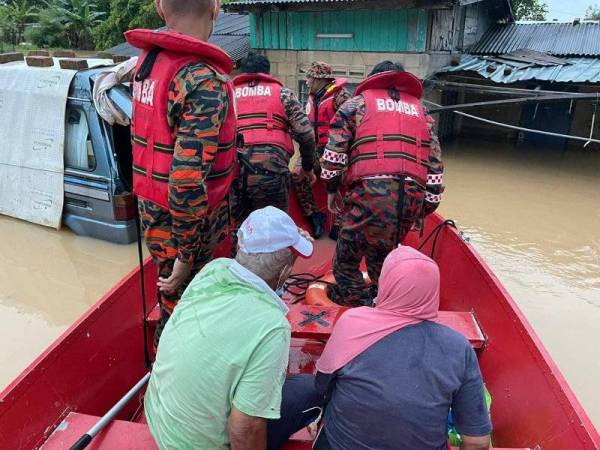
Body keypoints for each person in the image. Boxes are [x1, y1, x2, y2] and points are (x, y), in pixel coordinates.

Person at [144, 206, 322, 450]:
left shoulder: (213, 269)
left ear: (241, 245)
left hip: (160, 423)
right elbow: (245, 427)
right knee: (314, 388)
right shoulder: (272, 326)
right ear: (284, 272)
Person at [125, 0, 238, 344]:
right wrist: (186, 257)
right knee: (188, 312)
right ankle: (180, 379)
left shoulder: (148, 64)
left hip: (153, 212)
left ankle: (164, 369)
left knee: (172, 303)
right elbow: (187, 180)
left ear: (159, 8)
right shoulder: (203, 80)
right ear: (217, 7)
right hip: (187, 226)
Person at [312, 246, 492, 450]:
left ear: (385, 284)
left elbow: (322, 385)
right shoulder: (459, 348)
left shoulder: (351, 323)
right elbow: (477, 442)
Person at [320, 61, 444, 306]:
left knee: (346, 263)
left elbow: (333, 157)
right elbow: (435, 173)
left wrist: (332, 190)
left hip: (369, 198)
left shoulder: (355, 104)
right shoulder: (423, 114)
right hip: (410, 202)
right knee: (384, 255)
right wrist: (422, 211)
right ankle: (386, 299)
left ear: (374, 79)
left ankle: (358, 305)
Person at [231, 52, 316, 249]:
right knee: (275, 229)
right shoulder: (282, 93)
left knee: (239, 229)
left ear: (243, 73)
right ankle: (275, 277)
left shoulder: (229, 93)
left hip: (233, 172)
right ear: (267, 72)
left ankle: (240, 273)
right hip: (271, 172)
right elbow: (306, 134)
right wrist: (308, 167)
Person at [291, 61, 351, 239]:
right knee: (297, 174)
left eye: (310, 77)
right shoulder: (312, 97)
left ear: (320, 79)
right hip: (314, 150)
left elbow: (351, 128)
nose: (307, 81)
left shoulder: (341, 97)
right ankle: (314, 215)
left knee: (345, 179)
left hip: (336, 151)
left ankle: (340, 222)